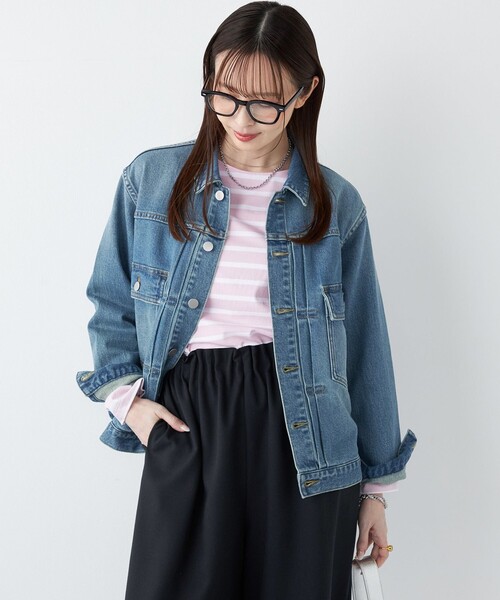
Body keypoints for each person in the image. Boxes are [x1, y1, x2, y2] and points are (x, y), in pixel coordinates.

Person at [76, 2, 417, 598]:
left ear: (304, 93)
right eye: (225, 95)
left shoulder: (335, 204)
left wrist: (376, 491)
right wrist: (130, 404)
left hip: (306, 437)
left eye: (265, 102)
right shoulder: (151, 183)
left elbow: (366, 346)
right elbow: (111, 305)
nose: (241, 118)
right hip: (191, 425)